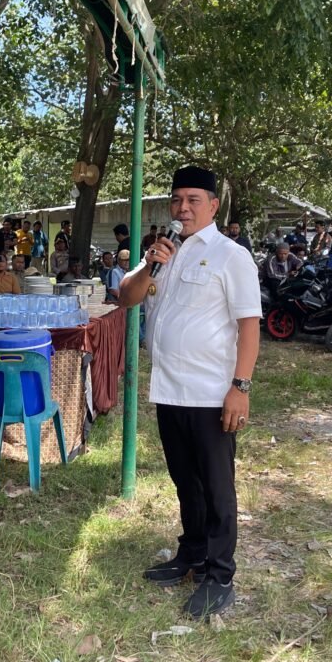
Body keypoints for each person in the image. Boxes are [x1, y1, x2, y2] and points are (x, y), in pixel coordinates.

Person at [119, 166, 261, 619]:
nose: (182, 208)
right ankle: (193, 555)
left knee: (217, 488)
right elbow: (127, 297)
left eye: (193, 199)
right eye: (177, 199)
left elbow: (249, 326)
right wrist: (151, 263)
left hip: (211, 392)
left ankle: (219, 576)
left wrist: (240, 387)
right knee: (186, 482)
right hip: (170, 390)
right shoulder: (164, 251)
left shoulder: (231, 256)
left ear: (214, 205)